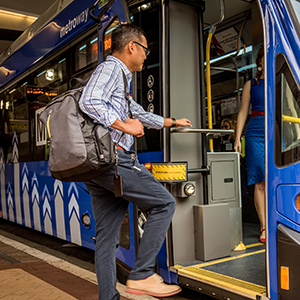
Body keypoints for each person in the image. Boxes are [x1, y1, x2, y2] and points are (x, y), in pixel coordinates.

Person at [78, 24, 192, 300]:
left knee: (106, 240)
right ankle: (141, 276)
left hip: (100, 167)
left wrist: (171, 122)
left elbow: (136, 112)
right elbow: (89, 101)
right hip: (115, 161)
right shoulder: (111, 69)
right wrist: (124, 127)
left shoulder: (120, 77)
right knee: (164, 204)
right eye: (144, 49)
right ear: (131, 47)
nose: (145, 55)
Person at [234, 46, 265, 243]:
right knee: (259, 182)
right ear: (260, 61)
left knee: (277, 179)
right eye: (263, 57)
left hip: (278, 131)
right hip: (255, 133)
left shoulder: (281, 78)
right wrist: (238, 138)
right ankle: (264, 227)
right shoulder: (250, 85)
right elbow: (243, 112)